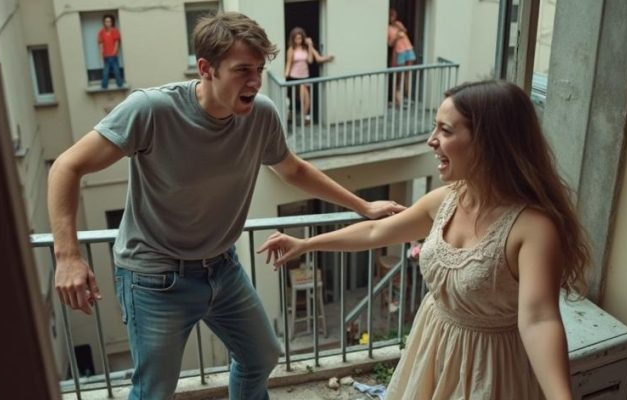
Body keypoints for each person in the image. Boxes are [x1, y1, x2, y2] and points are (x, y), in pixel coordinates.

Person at [49, 12, 405, 400]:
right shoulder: (152, 110)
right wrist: (67, 256)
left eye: (259, 69)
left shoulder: (261, 115)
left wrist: (363, 206)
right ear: (206, 69)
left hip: (222, 267)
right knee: (154, 391)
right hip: (154, 276)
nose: (255, 81)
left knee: (261, 356)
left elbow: (293, 169)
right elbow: (66, 167)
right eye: (242, 70)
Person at [259, 80, 590, 399]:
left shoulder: (532, 228)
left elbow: (539, 319)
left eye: (445, 131)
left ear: (489, 141)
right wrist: (306, 244)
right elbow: (375, 231)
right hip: (432, 350)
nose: (431, 140)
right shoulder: (446, 200)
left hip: (490, 369)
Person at [284, 27, 334, 125]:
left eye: (300, 38)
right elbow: (288, 65)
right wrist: (285, 79)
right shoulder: (291, 49)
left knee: (305, 99)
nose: (298, 40)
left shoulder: (306, 48)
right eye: (296, 38)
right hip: (295, 78)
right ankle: (302, 119)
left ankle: (303, 118)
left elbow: (312, 60)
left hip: (305, 77)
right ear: (293, 39)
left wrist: (311, 45)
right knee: (303, 99)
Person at [387, 8, 416, 107]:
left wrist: (399, 27)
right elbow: (390, 44)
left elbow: (405, 31)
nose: (393, 18)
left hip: (408, 49)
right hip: (399, 51)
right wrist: (396, 37)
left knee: (408, 74)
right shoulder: (387, 28)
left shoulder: (398, 23)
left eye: (394, 16)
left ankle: (407, 97)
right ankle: (397, 98)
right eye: (391, 16)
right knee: (399, 75)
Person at [98, 14, 124, 89]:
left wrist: (114, 52)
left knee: (116, 70)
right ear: (104, 22)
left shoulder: (115, 31)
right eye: (106, 21)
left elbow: (117, 42)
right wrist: (101, 54)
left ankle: (120, 85)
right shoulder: (101, 32)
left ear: (111, 22)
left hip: (113, 56)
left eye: (109, 21)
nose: (108, 23)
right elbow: (101, 44)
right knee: (106, 71)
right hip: (106, 56)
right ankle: (104, 86)